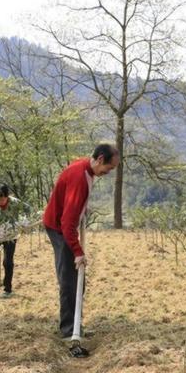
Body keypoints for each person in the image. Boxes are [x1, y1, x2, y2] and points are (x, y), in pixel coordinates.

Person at [43, 144, 120, 357]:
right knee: (69, 279)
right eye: (109, 168)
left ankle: (76, 323)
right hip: (59, 229)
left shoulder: (85, 167)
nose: (109, 173)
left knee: (78, 279)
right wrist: (77, 252)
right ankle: (69, 331)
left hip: (62, 225)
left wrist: (82, 209)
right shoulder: (79, 178)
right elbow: (67, 223)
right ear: (100, 159)